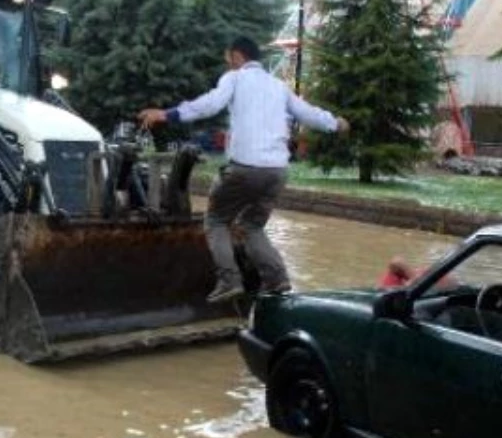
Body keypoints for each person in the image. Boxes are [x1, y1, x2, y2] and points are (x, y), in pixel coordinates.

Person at [138, 36, 351, 303]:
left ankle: (229, 280)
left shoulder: (235, 78)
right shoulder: (278, 86)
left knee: (216, 220)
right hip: (277, 172)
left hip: (245, 169)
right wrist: (336, 123)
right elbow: (308, 113)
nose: (227, 64)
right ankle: (277, 279)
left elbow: (209, 104)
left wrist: (166, 114)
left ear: (237, 56)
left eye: (228, 59)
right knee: (252, 225)